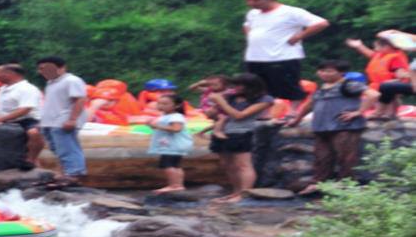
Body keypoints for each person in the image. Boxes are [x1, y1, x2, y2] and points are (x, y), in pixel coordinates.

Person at [284, 61, 374, 193]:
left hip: (344, 127)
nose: (324, 74)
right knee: (322, 157)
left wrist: (358, 112)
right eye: (322, 71)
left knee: (346, 157)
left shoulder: (348, 84)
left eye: (329, 71)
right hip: (322, 128)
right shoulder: (322, 88)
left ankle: (346, 185)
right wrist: (297, 120)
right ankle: (319, 184)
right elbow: (309, 105)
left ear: (341, 72)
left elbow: (373, 95)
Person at [242, 0, 330, 101]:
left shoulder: (291, 12)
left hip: (282, 55)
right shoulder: (252, 13)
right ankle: (265, 111)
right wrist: (251, 36)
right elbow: (247, 25)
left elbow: (321, 23)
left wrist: (299, 36)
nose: (251, 4)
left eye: (256, 0)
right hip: (255, 56)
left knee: (288, 84)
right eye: (248, 1)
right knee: (257, 86)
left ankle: (293, 111)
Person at [206, 72, 275, 203]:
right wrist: (214, 107)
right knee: (228, 165)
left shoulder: (264, 99)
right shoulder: (230, 97)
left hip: (242, 132)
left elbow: (239, 116)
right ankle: (235, 192)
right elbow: (212, 115)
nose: (236, 87)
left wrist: (221, 101)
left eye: (240, 85)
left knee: (242, 165)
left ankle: (244, 194)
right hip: (223, 132)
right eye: (235, 84)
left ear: (251, 86)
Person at [0, 64, 45, 168]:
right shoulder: (3, 89)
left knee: (34, 133)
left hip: (28, 119)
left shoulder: (28, 89)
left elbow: (24, 110)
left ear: (10, 74)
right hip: (7, 119)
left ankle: (31, 159)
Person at [35, 56, 88, 188]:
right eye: (41, 69)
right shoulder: (51, 83)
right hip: (50, 121)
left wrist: (72, 119)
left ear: (61, 68)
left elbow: (79, 100)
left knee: (68, 147)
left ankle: (74, 175)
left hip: (64, 119)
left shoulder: (72, 80)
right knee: (58, 149)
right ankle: (64, 173)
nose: (43, 71)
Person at [147, 94, 194, 194]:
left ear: (177, 105)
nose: (161, 106)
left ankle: (174, 185)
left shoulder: (176, 116)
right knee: (176, 165)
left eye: (165, 104)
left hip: (172, 145)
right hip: (172, 145)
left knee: (168, 165)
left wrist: (157, 126)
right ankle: (179, 185)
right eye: (159, 103)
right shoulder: (166, 116)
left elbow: (176, 129)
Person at [344, 33, 410, 89]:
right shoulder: (382, 55)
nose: (375, 49)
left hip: (388, 87)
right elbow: (370, 54)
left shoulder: (396, 58)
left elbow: (401, 76)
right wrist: (359, 46)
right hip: (378, 86)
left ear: (386, 47)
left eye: (376, 47)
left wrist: (386, 84)